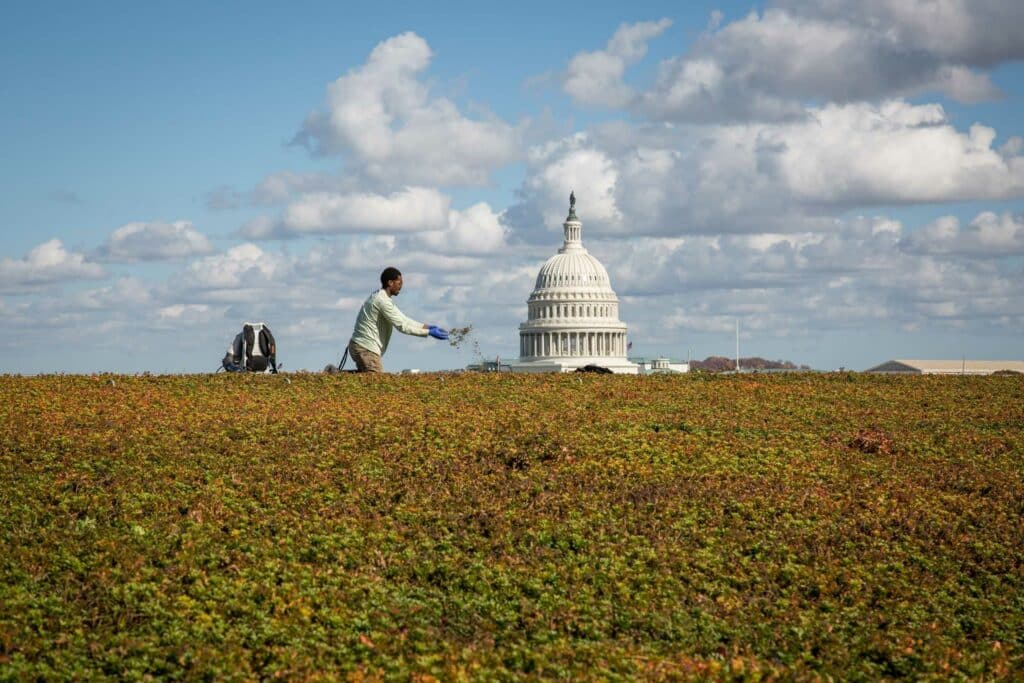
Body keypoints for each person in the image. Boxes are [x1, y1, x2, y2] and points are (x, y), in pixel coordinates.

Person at [347, 267, 448, 373]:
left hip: (362, 346)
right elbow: (402, 327)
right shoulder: (382, 301)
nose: (401, 286)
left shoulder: (384, 299)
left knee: (366, 379)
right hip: (365, 348)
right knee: (376, 380)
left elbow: (404, 319)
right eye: (399, 283)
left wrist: (427, 327)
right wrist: (428, 333)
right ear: (390, 283)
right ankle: (333, 375)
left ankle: (334, 374)